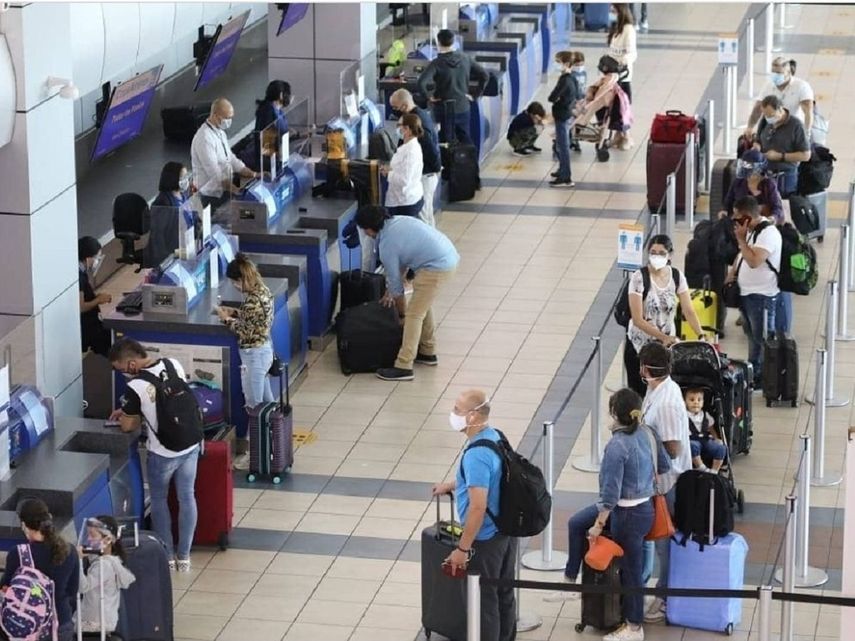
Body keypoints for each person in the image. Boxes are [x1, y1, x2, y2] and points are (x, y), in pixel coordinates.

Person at [546, 389, 669, 641]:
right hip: (644, 508)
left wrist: (598, 525)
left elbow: (610, 495)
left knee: (631, 570)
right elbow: (665, 465)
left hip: (626, 513)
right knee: (577, 523)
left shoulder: (617, 446)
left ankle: (634, 626)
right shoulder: (649, 433)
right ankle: (572, 580)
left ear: (615, 414)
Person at [108, 338, 201, 572]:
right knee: (187, 497)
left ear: (130, 364)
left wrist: (127, 414)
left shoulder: (135, 386)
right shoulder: (173, 364)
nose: (123, 375)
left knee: (159, 500)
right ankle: (185, 556)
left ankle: (167, 556)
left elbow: (129, 425)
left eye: (121, 370)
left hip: (162, 453)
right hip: (190, 444)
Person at [431, 389, 516, 641]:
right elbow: (490, 478)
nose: (453, 414)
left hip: (486, 538)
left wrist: (463, 548)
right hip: (505, 530)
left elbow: (478, 508)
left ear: (472, 416)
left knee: (483, 602)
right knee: (504, 593)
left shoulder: (476, 455)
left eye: (458, 409)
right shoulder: (494, 436)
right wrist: (454, 483)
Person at [354, 205, 459, 382]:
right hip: (446, 257)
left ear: (370, 229)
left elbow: (397, 287)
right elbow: (402, 261)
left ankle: (404, 366)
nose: (365, 234)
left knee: (414, 315)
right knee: (422, 305)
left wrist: (401, 314)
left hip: (436, 267)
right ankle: (427, 352)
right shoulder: (397, 222)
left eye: (364, 230)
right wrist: (391, 290)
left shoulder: (387, 244)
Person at [637, 342, 692, 624]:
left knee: (664, 543)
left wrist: (646, 442)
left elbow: (673, 449)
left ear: (647, 369)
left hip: (669, 483)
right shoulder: (656, 389)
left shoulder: (668, 402)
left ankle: (666, 597)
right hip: (656, 482)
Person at [625, 234, 706, 397]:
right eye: (653, 252)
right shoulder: (639, 278)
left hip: (665, 348)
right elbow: (638, 319)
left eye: (661, 253)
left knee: (663, 393)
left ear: (670, 255)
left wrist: (701, 334)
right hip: (640, 346)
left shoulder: (676, 276)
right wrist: (663, 337)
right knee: (640, 394)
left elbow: (688, 310)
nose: (656, 256)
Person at [216, 254, 274, 469]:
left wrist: (226, 319)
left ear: (240, 279)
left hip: (253, 357)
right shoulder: (263, 291)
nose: (234, 286)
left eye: (234, 282)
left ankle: (255, 455)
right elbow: (254, 320)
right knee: (268, 404)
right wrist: (237, 312)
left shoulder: (251, 301)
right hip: (264, 352)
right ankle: (274, 447)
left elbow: (243, 331)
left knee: (255, 408)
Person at [1, 498, 79, 641]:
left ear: (24, 525)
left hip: (27, 626)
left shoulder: (18, 554)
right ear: (49, 519)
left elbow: (5, 588)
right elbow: (73, 590)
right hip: (60, 623)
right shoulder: (70, 551)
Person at [726, 195, 782, 384]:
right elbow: (742, 255)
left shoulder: (768, 233)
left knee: (762, 339)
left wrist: (741, 239)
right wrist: (733, 271)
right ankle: (754, 372)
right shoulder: (752, 230)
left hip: (762, 295)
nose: (735, 223)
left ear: (748, 217)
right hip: (747, 293)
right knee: (751, 336)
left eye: (738, 218)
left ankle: (765, 376)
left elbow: (754, 260)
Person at [416, 28, 489, 146]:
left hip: (443, 108)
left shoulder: (437, 63)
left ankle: (448, 164)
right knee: (465, 139)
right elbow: (484, 75)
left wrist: (429, 97)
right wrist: (475, 95)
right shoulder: (465, 58)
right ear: (453, 41)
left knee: (444, 142)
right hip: (463, 106)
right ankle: (469, 162)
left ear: (438, 42)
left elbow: (421, 83)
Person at [190, 98, 260, 210]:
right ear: (215, 115)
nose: (229, 121)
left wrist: (253, 174)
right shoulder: (204, 138)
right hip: (211, 198)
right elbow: (215, 173)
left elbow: (231, 158)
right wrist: (235, 190)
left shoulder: (220, 132)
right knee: (244, 215)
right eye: (227, 118)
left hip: (225, 190)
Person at [389, 88, 441, 226]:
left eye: (395, 107)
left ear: (404, 106)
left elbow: (430, 148)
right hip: (425, 174)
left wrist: (435, 169)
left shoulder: (417, 121)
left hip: (426, 175)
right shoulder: (419, 115)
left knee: (424, 218)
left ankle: (429, 245)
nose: (393, 110)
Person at [77, 516, 136, 635]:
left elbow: (83, 587)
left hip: (95, 622)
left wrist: (78, 561)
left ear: (108, 539)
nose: (88, 539)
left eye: (92, 536)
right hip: (105, 619)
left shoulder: (103, 565)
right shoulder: (110, 561)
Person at [752, 95, 811, 197]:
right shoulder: (765, 120)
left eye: (771, 115)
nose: (768, 118)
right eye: (766, 115)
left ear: (780, 109)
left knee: (782, 208)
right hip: (765, 174)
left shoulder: (796, 125)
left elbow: (806, 155)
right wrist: (757, 146)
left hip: (785, 177)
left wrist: (780, 156)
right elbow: (758, 139)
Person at [744, 57, 814, 138]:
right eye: (773, 72)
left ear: (789, 72)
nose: (775, 76)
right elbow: (757, 108)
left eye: (779, 73)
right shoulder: (768, 86)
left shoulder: (801, 86)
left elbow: (808, 111)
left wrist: (806, 133)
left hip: (794, 129)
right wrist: (750, 127)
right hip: (773, 129)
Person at [548, 51, 585, 188]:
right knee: (560, 144)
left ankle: (566, 177)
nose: (556, 64)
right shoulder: (573, 78)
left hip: (561, 116)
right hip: (567, 114)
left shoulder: (564, 80)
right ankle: (561, 170)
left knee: (563, 147)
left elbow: (552, 97)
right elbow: (579, 94)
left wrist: (557, 98)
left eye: (558, 62)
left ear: (566, 64)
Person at [719, 149, 785, 224]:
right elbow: (728, 202)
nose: (747, 176)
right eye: (744, 170)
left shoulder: (769, 185)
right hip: (741, 223)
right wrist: (724, 211)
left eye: (750, 171)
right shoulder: (738, 182)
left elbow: (777, 208)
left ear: (760, 170)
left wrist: (772, 218)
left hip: (762, 224)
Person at [607, 3, 638, 149]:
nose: (611, 11)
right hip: (611, 75)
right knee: (614, 108)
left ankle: (626, 137)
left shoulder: (628, 30)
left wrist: (622, 62)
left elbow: (631, 53)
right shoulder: (616, 28)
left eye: (613, 8)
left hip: (623, 76)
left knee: (622, 107)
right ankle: (618, 135)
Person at [382, 112, 424, 218]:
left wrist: (388, 174)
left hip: (404, 203)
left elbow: (404, 180)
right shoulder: (407, 146)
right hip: (402, 199)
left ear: (407, 129)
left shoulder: (410, 151)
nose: (397, 128)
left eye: (399, 125)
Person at [78, 236, 111, 357]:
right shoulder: (78, 277)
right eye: (96, 257)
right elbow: (80, 307)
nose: (97, 261)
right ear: (87, 258)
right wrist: (98, 300)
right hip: (88, 327)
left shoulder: (81, 272)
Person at [684, 388, 726, 473]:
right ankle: (701, 467)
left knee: (721, 448)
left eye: (699, 400)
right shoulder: (684, 415)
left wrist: (716, 438)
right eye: (692, 400)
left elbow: (711, 428)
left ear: (703, 403)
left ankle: (714, 470)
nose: (696, 402)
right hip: (691, 439)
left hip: (705, 439)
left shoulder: (705, 415)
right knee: (692, 446)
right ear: (685, 402)